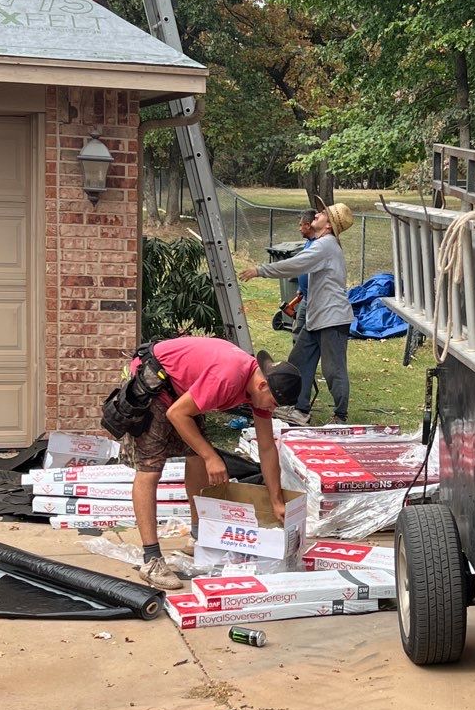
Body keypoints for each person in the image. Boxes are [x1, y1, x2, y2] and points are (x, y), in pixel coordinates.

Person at [127, 337, 301, 589]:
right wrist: (212, 457)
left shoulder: (259, 389)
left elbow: (266, 447)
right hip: (154, 379)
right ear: (263, 384)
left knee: (197, 457)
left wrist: (275, 499)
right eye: (273, 403)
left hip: (179, 389)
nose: (271, 409)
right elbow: (176, 413)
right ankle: (151, 559)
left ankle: (199, 537)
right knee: (151, 468)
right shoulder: (229, 377)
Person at [240, 199, 354, 426]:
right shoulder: (321, 243)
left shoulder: (326, 245)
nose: (318, 214)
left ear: (329, 224)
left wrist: (261, 270)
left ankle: (340, 415)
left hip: (332, 319)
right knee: (298, 361)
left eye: (323, 213)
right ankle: (300, 409)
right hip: (316, 317)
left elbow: (295, 265)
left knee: (333, 370)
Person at [293, 209, 317, 335]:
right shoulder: (308, 242)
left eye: (300, 225)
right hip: (305, 298)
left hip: (316, 302)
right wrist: (300, 288)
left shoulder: (319, 245)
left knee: (311, 334)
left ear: (308, 225)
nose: (299, 229)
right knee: (298, 329)